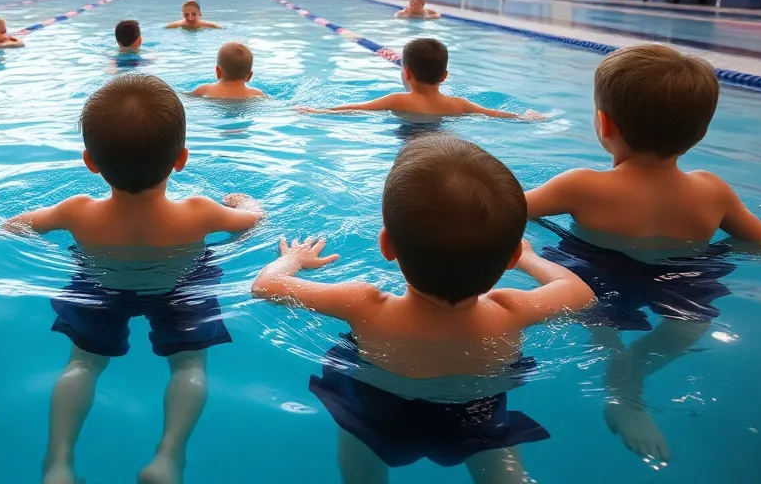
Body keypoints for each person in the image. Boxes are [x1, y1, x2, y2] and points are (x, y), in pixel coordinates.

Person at [253, 134, 593, 484]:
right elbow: (580, 292)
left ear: (387, 245)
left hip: (376, 414)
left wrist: (294, 259)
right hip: (476, 415)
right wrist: (532, 260)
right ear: (510, 258)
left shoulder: (364, 304)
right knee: (503, 467)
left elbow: (265, 286)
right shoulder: (511, 310)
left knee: (359, 463)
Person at [525, 43, 761, 463]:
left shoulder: (581, 186)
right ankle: (631, 379)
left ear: (603, 122)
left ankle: (615, 369)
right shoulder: (712, 191)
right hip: (685, 276)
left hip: (597, 271)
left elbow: (503, 209)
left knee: (591, 307)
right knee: (688, 324)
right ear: (700, 133)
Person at [4, 74, 263, 484]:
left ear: (90, 161)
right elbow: (252, 222)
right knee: (189, 366)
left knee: (82, 364)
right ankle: (168, 456)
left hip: (101, 285)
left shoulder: (77, 211)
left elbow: (15, 226)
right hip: (179, 287)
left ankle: (58, 463)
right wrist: (243, 200)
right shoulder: (199, 211)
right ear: (181, 158)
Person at [296, 38, 543, 121]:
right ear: (444, 76)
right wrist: (525, 118)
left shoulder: (398, 100)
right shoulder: (459, 104)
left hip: (409, 141)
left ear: (406, 73)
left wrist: (317, 110)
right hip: (441, 139)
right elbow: (494, 114)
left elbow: (356, 109)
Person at [189, 42, 265, 100]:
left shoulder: (204, 90)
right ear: (250, 76)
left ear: (218, 71)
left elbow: (184, 97)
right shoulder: (256, 94)